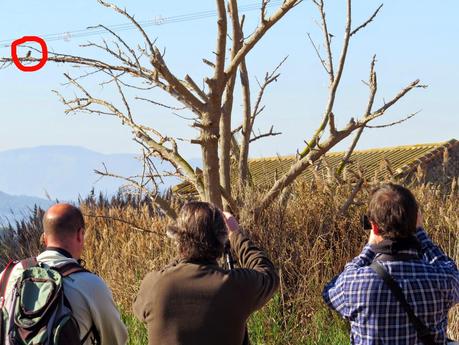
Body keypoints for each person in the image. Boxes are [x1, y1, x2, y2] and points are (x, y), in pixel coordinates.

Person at [323, 183, 459, 344]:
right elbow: (451, 270)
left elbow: (328, 293)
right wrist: (422, 234)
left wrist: (369, 248)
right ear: (416, 220)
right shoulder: (442, 279)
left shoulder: (354, 283)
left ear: (373, 226)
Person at [133, 201, 279, 345]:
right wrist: (235, 235)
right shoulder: (235, 285)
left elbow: (139, 310)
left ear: (178, 239)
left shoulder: (154, 285)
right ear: (221, 238)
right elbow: (268, 273)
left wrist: (183, 254)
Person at [0, 203, 128, 345]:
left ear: (44, 238)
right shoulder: (91, 285)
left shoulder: (8, 275)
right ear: (80, 235)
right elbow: (116, 339)